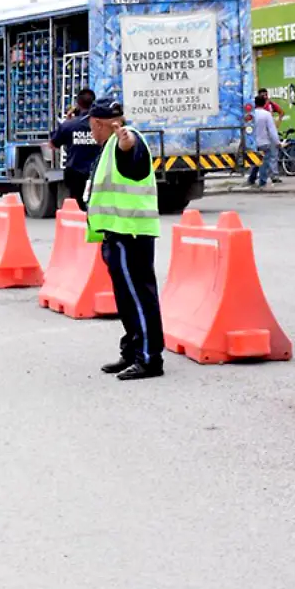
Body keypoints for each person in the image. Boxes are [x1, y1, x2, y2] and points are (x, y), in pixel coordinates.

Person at [84, 97, 164, 381]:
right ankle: (132, 351)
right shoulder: (109, 146)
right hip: (118, 235)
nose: (91, 133)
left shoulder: (128, 142)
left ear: (97, 124)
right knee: (126, 298)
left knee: (140, 297)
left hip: (131, 234)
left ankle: (149, 358)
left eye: (92, 127)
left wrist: (126, 145)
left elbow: (130, 156)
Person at [47, 88, 99, 210]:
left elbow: (53, 144)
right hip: (97, 172)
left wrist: (67, 120)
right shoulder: (100, 125)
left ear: (78, 104)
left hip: (76, 173)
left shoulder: (69, 125)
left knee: (77, 207)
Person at [248, 94, 280, 188]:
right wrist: (277, 142)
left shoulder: (251, 115)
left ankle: (251, 179)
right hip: (264, 142)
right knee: (263, 163)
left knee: (255, 161)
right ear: (264, 103)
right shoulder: (266, 115)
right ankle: (262, 182)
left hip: (253, 143)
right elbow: (272, 130)